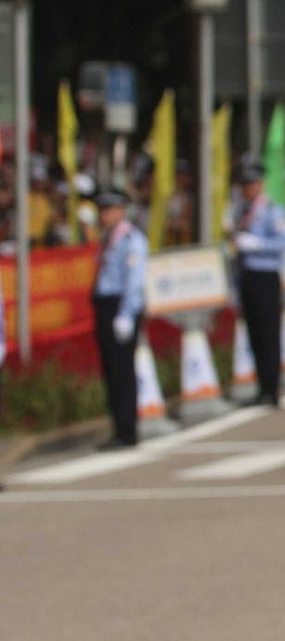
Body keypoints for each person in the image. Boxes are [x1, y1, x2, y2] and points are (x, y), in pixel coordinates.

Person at [233, 158, 285, 407]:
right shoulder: (241, 210)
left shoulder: (271, 210)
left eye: (252, 183)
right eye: (244, 184)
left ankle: (272, 388)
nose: (248, 188)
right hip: (247, 276)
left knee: (269, 333)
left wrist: (259, 245)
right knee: (253, 333)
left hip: (266, 275)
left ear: (260, 184)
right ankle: (261, 386)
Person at [92, 188, 149, 448]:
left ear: (121, 210)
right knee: (111, 371)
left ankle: (128, 431)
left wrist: (126, 314)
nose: (104, 215)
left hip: (120, 307)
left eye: (109, 209)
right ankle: (118, 429)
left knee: (123, 371)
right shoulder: (109, 238)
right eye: (102, 210)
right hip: (105, 305)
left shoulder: (131, 239)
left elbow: (134, 282)